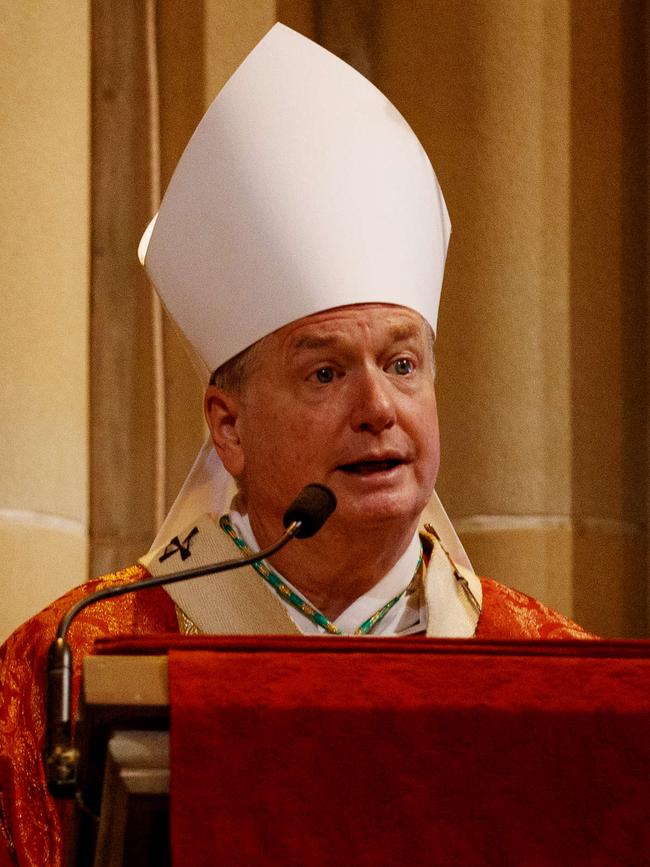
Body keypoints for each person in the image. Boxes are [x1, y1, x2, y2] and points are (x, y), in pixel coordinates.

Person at [0, 23, 591, 867]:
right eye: (324, 374)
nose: (379, 407)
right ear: (228, 426)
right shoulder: (73, 661)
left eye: (402, 362)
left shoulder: (556, 673)